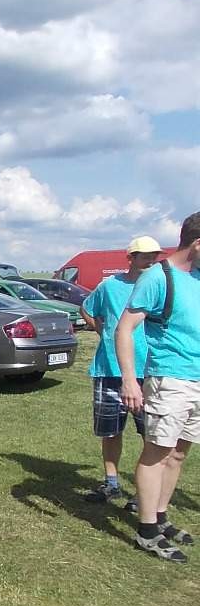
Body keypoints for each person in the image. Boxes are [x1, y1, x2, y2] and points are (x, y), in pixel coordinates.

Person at [116, 212, 200, 563]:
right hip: (169, 379)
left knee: (179, 453)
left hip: (197, 379)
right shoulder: (158, 277)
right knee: (157, 453)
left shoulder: (197, 277)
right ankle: (147, 531)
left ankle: (160, 516)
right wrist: (129, 380)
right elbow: (124, 329)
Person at [81, 236, 161, 505]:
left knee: (151, 434)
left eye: (154, 257)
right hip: (109, 369)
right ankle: (112, 483)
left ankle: (143, 493)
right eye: (145, 256)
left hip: (147, 369)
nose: (151, 261)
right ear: (131, 258)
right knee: (110, 431)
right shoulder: (110, 286)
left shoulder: (158, 286)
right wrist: (102, 331)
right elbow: (87, 308)